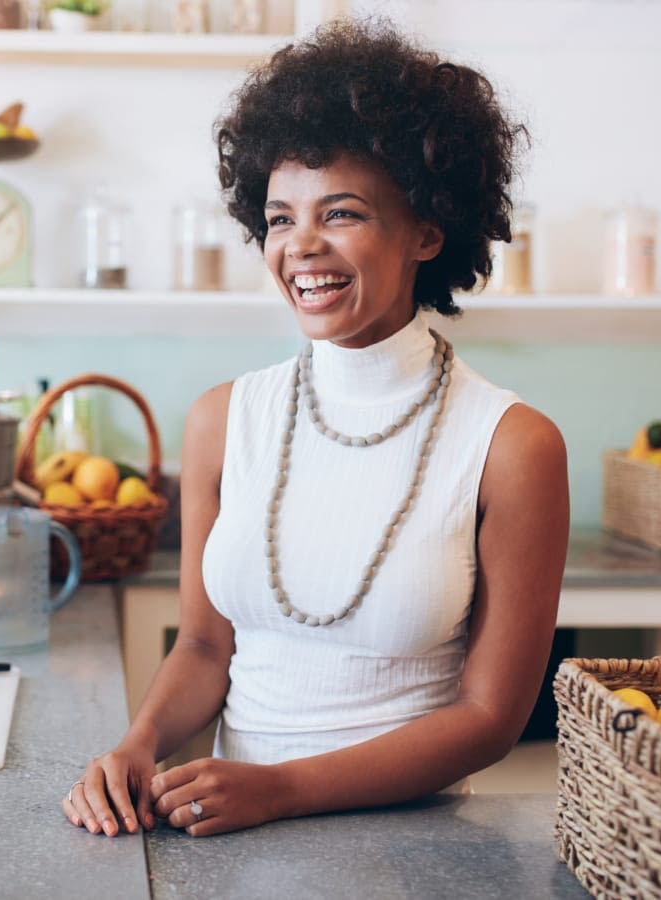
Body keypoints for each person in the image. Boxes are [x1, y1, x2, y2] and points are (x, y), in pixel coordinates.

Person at [63, 19, 569, 838]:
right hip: (232, 836)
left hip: (417, 852)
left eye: (341, 213)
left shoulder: (511, 445)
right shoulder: (224, 419)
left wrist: (280, 789)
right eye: (279, 217)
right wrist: (138, 745)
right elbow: (201, 645)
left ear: (427, 232)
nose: (301, 247)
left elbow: (490, 718)